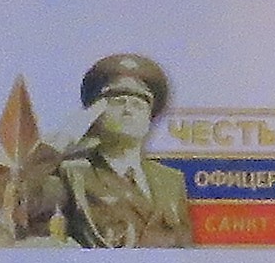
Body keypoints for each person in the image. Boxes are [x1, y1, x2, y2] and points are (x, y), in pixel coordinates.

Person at [10, 53, 193, 247]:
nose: (128, 110)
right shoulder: (73, 172)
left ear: (150, 119)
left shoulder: (170, 180)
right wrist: (67, 135)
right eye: (117, 102)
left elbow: (184, 246)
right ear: (96, 115)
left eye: (138, 105)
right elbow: (23, 199)